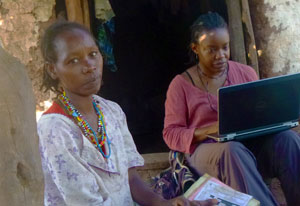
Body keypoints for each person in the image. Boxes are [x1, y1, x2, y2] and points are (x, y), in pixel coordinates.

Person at [37, 21, 218, 206]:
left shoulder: (111, 111)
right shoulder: (54, 129)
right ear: (52, 69)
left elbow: (131, 179)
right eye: (73, 60)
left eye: (93, 54)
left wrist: (165, 203)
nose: (89, 66)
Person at [163, 12, 300, 206]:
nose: (221, 56)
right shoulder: (180, 85)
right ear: (196, 48)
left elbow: (260, 112)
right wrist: (210, 129)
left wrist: (275, 118)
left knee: (288, 139)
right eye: (211, 50)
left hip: (247, 149)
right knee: (231, 150)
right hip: (206, 155)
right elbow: (170, 134)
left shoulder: (246, 73)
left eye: (225, 48)